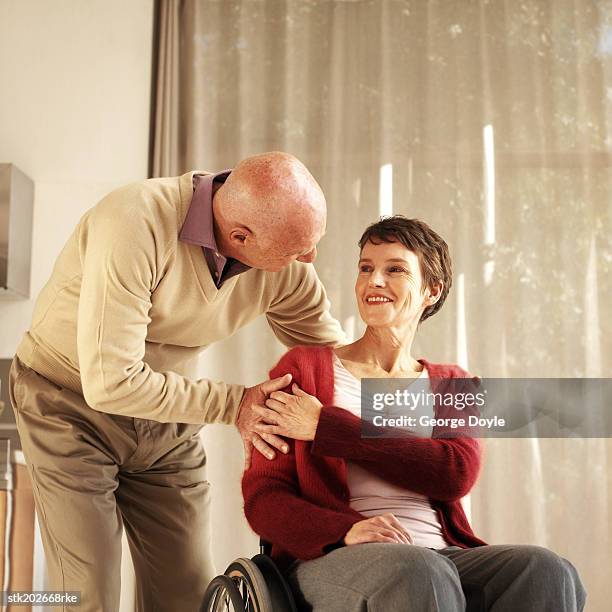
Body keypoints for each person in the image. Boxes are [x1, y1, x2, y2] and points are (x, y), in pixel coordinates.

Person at [8, 151, 347, 612]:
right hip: (67, 403)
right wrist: (236, 405)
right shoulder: (134, 221)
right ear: (240, 235)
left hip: (164, 420)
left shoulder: (287, 268)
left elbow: (336, 363)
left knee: (187, 593)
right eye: (297, 247)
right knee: (87, 592)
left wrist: (408, 407)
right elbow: (111, 382)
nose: (309, 257)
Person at [242, 216, 586, 611]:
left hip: (440, 554)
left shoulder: (451, 382)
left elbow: (454, 472)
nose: (374, 281)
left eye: (395, 270)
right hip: (334, 557)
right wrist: (346, 530)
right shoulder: (305, 369)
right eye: (366, 268)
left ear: (431, 290)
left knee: (546, 569)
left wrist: (327, 427)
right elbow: (264, 499)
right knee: (420, 570)